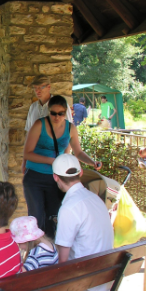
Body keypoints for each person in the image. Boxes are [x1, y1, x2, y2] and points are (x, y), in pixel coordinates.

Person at [23, 95, 101, 238]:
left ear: (66, 113)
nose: (57, 117)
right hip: (35, 176)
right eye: (53, 113)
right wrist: (52, 161)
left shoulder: (70, 128)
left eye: (61, 113)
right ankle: (36, 253)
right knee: (37, 218)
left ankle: (52, 253)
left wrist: (92, 162)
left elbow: (78, 152)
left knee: (54, 217)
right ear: (48, 111)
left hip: (57, 179)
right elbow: (27, 154)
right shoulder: (39, 125)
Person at [52, 154, 114, 291]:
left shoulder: (69, 207)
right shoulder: (95, 199)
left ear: (55, 177)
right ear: (80, 173)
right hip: (104, 281)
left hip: (85, 286)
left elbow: (62, 261)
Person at [22, 75, 52, 176]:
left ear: (49, 87)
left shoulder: (59, 106)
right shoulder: (33, 108)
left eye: (41, 87)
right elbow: (28, 136)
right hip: (34, 160)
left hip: (53, 158)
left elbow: (69, 134)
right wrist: (24, 161)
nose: (38, 91)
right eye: (35, 88)